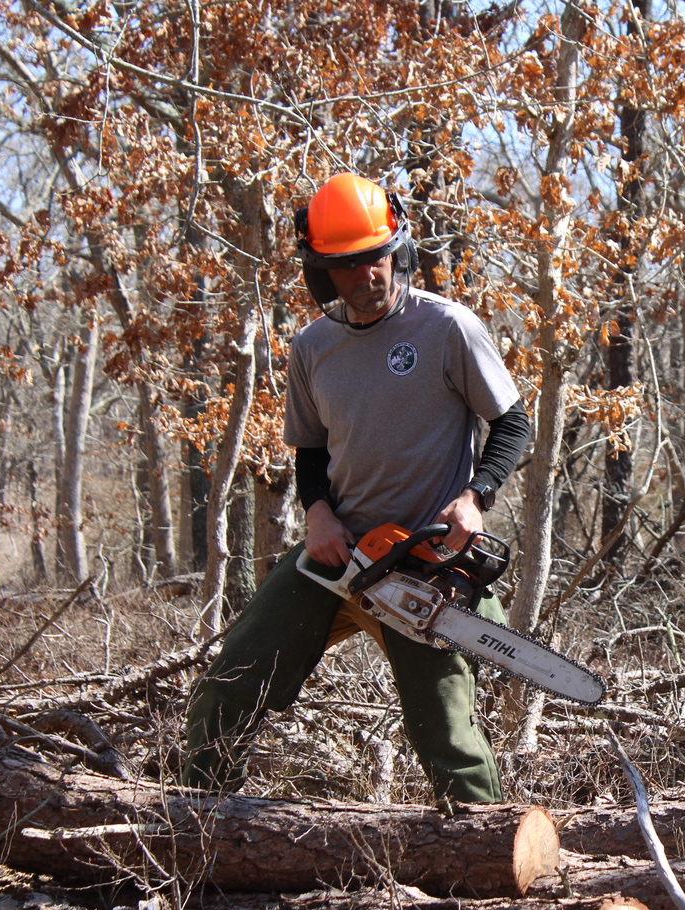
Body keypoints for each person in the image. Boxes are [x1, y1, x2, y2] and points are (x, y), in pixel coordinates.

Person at [181, 172, 530, 802]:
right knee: (232, 679)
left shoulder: (446, 327)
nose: (369, 276)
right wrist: (317, 511)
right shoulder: (313, 347)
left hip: (422, 562)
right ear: (322, 273)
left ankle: (485, 862)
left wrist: (475, 496)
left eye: (378, 259)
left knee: (446, 739)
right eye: (349, 266)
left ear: (397, 252)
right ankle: (193, 828)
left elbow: (512, 422)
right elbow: (310, 451)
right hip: (340, 554)